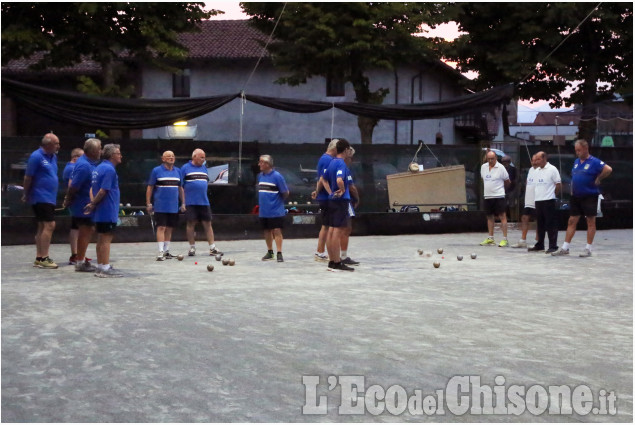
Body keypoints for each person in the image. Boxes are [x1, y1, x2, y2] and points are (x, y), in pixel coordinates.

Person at [552, 139, 612, 257]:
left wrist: (599, 178)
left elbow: (608, 169)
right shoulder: (576, 161)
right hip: (576, 196)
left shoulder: (594, 161)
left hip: (589, 195)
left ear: (585, 149)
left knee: (590, 221)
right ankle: (565, 247)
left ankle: (588, 248)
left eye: (579, 150)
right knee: (572, 220)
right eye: (576, 150)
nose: (577, 152)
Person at [84, 144, 123, 278]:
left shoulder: (98, 168)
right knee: (106, 238)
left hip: (101, 210)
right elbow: (103, 190)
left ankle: (101, 266)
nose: (120, 156)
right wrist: (93, 203)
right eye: (118, 153)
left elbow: (91, 189)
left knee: (100, 238)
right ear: (112, 155)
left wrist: (92, 204)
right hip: (108, 209)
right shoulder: (109, 170)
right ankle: (105, 268)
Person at [22, 133, 60, 269]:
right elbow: (28, 177)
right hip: (40, 196)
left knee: (42, 226)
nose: (58, 146)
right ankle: (44, 257)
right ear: (48, 144)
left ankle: (39, 257)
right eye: (56, 144)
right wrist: (26, 193)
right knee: (50, 225)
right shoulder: (36, 156)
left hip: (50, 197)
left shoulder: (53, 156)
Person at [63, 139, 101, 272]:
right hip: (83, 205)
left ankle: (81, 259)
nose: (101, 151)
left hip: (87, 204)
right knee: (85, 231)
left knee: (88, 230)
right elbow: (73, 186)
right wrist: (68, 199)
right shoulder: (84, 165)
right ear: (92, 151)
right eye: (99, 149)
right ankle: (80, 262)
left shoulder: (88, 163)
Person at [181, 148, 223, 257]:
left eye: (204, 157)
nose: (204, 159)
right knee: (191, 224)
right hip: (190, 202)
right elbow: (180, 186)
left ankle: (212, 248)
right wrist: (183, 202)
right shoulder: (185, 168)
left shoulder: (204, 168)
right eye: (202, 157)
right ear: (194, 157)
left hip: (204, 202)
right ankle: (192, 248)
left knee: (208, 224)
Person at [146, 151, 185, 261]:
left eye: (173, 156)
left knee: (169, 228)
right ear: (163, 159)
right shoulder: (156, 171)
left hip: (173, 206)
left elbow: (180, 188)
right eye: (168, 156)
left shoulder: (178, 171)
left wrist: (183, 203)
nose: (171, 158)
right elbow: (150, 187)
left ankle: (167, 251)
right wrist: (149, 203)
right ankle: (160, 251)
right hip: (160, 205)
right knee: (161, 227)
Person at [325, 138, 355, 271]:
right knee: (337, 231)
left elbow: (324, 179)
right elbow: (339, 179)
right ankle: (337, 261)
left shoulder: (331, 163)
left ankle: (332, 260)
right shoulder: (341, 164)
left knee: (331, 230)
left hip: (331, 200)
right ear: (347, 150)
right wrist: (342, 190)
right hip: (341, 201)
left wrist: (331, 192)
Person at [257, 155, 289, 262]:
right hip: (264, 211)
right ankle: (270, 252)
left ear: (267, 164)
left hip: (275, 210)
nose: (259, 164)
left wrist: (278, 202)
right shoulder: (260, 176)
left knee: (276, 230)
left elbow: (285, 192)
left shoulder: (277, 176)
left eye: (261, 162)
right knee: (266, 230)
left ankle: (279, 252)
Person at [311, 139, 338, 262]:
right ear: (334, 148)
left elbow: (319, 179)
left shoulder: (323, 158)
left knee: (325, 225)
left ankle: (320, 251)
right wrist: (331, 193)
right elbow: (323, 179)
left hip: (323, 196)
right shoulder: (328, 160)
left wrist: (317, 191)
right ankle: (320, 252)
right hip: (327, 198)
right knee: (326, 226)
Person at [529, 151, 561, 253]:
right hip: (538, 200)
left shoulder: (552, 169)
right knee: (540, 224)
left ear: (544, 158)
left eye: (538, 159)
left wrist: (553, 195)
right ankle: (540, 244)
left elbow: (558, 184)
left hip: (548, 200)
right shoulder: (537, 170)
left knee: (550, 224)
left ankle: (553, 245)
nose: (537, 161)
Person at [479, 150, 510, 247]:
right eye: (489, 159)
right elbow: (483, 179)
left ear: (496, 158)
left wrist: (500, 190)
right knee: (489, 216)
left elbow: (507, 181)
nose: (490, 160)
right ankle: (490, 238)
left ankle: (505, 239)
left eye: (492, 158)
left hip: (499, 196)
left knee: (502, 216)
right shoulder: (483, 167)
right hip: (488, 196)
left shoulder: (501, 168)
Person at [511, 154, 539, 249]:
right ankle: (523, 240)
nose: (534, 162)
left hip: (538, 200)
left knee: (538, 220)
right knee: (524, 218)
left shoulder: (543, 171)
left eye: (536, 160)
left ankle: (537, 241)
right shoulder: (530, 170)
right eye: (532, 160)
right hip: (528, 200)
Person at [63, 147, 84, 264]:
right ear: (76, 158)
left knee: (78, 227)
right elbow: (72, 185)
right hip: (77, 202)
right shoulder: (72, 168)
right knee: (76, 227)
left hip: (77, 201)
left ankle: (79, 254)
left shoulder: (71, 167)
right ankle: (75, 255)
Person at [340, 147, 360, 266]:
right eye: (350, 157)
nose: (351, 160)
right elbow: (351, 186)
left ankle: (335, 255)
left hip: (335, 200)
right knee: (346, 228)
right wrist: (357, 198)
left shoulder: (333, 165)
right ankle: (343, 256)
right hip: (344, 200)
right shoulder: (344, 169)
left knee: (334, 228)